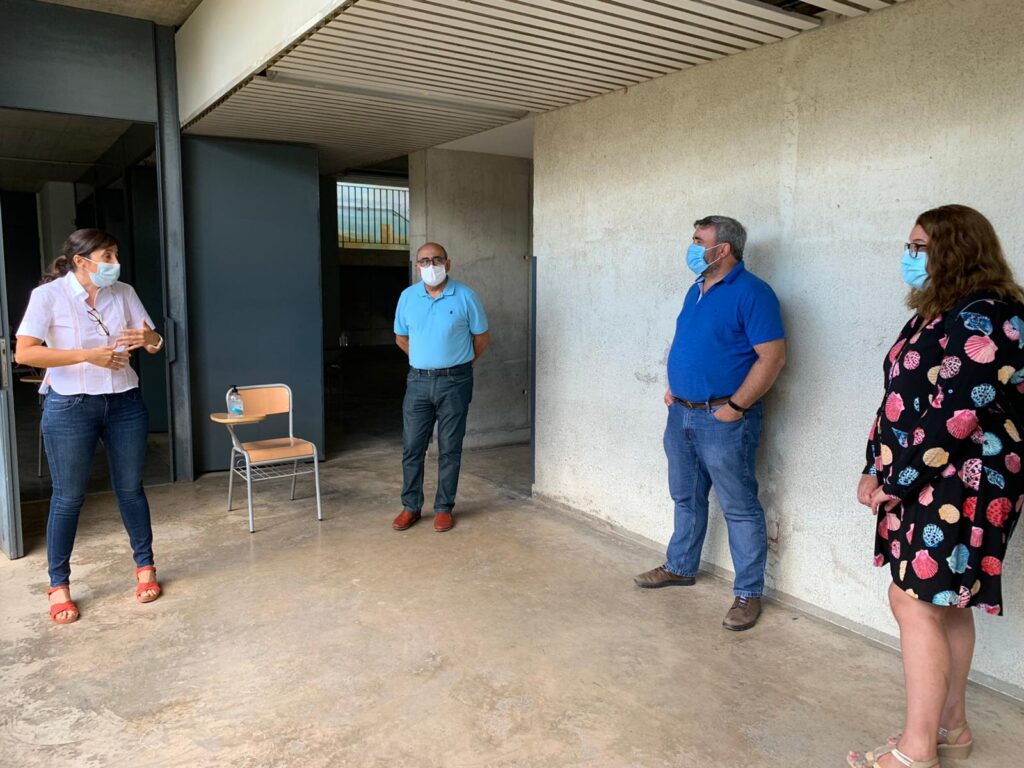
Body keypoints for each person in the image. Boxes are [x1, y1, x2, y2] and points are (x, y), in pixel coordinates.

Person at [848, 205, 1024, 768]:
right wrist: (874, 464)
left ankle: (917, 749)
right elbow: (897, 397)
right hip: (926, 475)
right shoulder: (937, 311)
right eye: (910, 246)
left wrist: (897, 479)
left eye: (920, 247)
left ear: (956, 248)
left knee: (915, 600)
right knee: (942, 603)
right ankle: (951, 727)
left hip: (965, 479)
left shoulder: (987, 315)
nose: (910, 257)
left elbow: (957, 413)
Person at [634, 216, 786, 631]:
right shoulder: (695, 289)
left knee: (739, 506)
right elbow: (693, 344)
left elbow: (772, 358)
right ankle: (680, 566)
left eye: (699, 241)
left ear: (723, 249)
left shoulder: (754, 293)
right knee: (685, 496)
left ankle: (748, 593)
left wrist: (735, 406)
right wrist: (675, 388)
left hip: (723, 418)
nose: (692, 247)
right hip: (681, 413)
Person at [15, 228, 165, 624]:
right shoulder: (48, 296)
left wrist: (150, 337)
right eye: (107, 256)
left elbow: (153, 343)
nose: (116, 263)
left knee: (131, 490)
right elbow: (25, 352)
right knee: (68, 497)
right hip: (70, 406)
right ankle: (58, 585)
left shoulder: (124, 293)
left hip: (125, 402)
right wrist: (86, 356)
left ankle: (145, 567)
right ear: (81, 261)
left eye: (116, 255)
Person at [391, 242, 490, 533]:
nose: (430, 265)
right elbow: (400, 337)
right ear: (417, 266)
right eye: (424, 261)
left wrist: (459, 365)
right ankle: (411, 506)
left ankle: (444, 508)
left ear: (448, 264)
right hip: (418, 382)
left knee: (450, 448)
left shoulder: (466, 296)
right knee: (412, 447)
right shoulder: (408, 297)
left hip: (455, 382)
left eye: (436, 260)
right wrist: (424, 360)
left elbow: (482, 338)